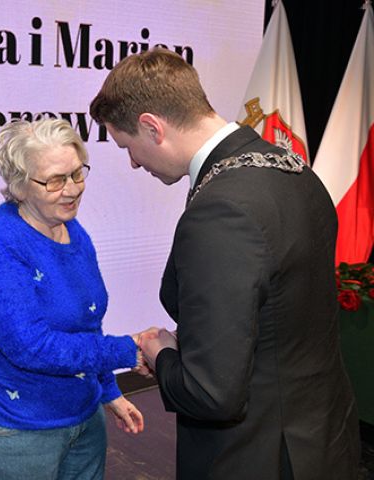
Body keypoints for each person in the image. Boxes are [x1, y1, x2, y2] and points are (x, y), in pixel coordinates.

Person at [90, 48, 361, 480]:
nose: (134, 162)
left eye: (128, 146)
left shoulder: (221, 212)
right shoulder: (295, 169)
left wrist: (161, 351)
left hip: (259, 455)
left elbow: (211, 394)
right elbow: (276, 311)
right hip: (325, 437)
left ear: (152, 127)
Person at [0, 118, 149, 480]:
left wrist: (109, 391)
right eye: (55, 180)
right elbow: (29, 346)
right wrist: (129, 349)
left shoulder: (74, 230)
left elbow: (87, 324)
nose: (72, 189)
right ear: (19, 184)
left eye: (77, 174)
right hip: (16, 431)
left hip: (85, 419)